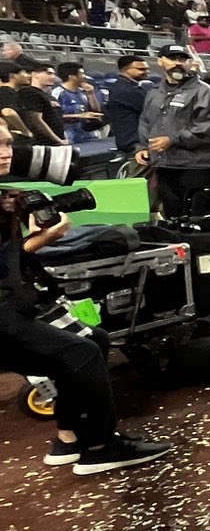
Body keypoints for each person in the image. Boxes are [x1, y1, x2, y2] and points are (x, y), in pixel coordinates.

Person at [0, 148, 173, 475]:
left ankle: (69, 438)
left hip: (12, 302)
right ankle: (101, 448)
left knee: (94, 338)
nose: (7, 153)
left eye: (8, 143)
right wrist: (42, 239)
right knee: (82, 352)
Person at [137, 45, 210, 219]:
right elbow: (146, 121)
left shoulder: (205, 92)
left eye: (182, 59)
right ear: (160, 61)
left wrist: (173, 139)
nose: (178, 63)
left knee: (204, 220)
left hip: (198, 166)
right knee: (174, 217)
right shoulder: (154, 92)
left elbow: (208, 128)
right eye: (173, 59)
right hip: (166, 165)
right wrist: (142, 147)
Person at [54, 62, 114, 179]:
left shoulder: (82, 92)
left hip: (89, 137)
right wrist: (80, 116)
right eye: (81, 73)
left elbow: (96, 110)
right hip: (70, 137)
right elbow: (53, 116)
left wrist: (91, 94)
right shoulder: (58, 92)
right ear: (72, 76)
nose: (84, 76)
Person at [104, 52, 151, 160]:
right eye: (141, 69)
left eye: (147, 69)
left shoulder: (129, 86)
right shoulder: (126, 90)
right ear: (126, 70)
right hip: (134, 143)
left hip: (133, 141)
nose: (147, 72)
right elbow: (151, 112)